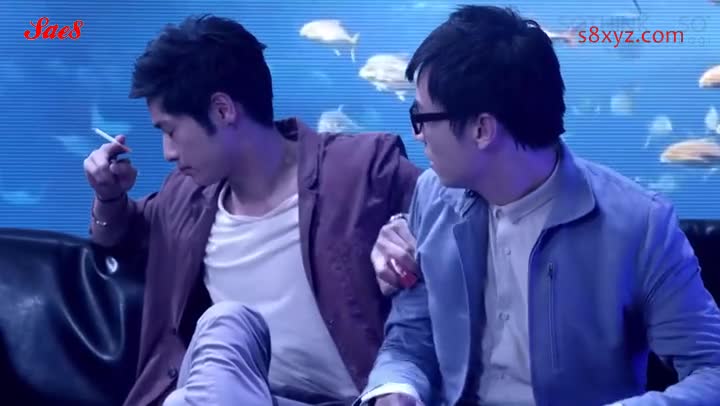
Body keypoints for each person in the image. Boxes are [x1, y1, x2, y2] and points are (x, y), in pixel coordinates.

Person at [361, 5, 720, 406]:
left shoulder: (641, 225)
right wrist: (396, 388)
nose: (419, 134)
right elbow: (409, 337)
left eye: (421, 116)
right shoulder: (432, 196)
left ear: (482, 129)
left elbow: (712, 370)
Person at [82, 14, 421, 406]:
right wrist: (108, 195)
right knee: (223, 328)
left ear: (222, 109)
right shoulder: (184, 198)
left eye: (170, 130)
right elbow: (120, 236)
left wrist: (406, 236)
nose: (168, 153)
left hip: (364, 397)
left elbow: (451, 220)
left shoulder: (362, 170)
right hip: (246, 396)